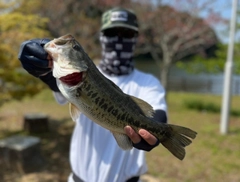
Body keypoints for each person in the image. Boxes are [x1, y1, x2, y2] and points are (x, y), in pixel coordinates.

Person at [18, 7, 167, 182]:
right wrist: (43, 69)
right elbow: (60, 85)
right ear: (102, 37)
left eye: (126, 34)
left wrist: (157, 130)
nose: (118, 39)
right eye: (111, 33)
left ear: (136, 38)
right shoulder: (80, 73)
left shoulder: (149, 82)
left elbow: (158, 116)